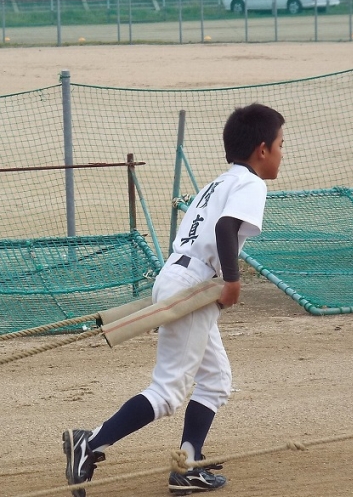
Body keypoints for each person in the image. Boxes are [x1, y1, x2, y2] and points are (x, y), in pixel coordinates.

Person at [62, 103, 285, 496]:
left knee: (216, 380)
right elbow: (226, 227)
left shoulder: (218, 182)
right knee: (167, 392)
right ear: (262, 149)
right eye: (281, 145)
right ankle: (91, 442)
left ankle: (188, 466)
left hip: (177, 274)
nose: (283, 153)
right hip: (193, 283)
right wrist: (233, 281)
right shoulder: (251, 184)